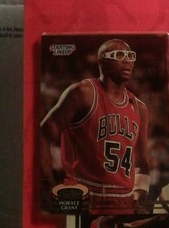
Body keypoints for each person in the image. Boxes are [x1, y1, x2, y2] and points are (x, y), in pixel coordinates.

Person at [40, 38, 151, 215]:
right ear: (102, 62)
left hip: (123, 202)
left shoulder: (140, 108)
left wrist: (140, 195)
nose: (127, 60)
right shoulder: (83, 93)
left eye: (130, 56)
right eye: (119, 55)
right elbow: (42, 136)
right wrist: (48, 188)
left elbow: (141, 163)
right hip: (84, 196)